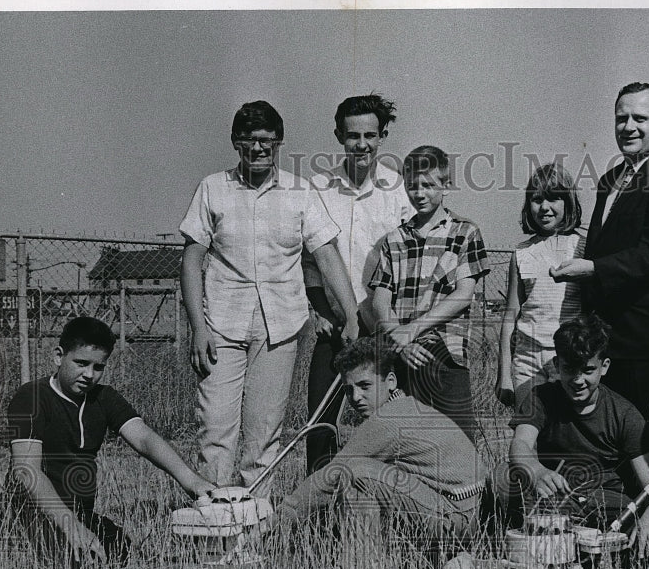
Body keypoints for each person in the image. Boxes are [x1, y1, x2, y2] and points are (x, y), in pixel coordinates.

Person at [179, 100, 359, 500]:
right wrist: (198, 328)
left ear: (279, 144)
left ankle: (253, 520)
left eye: (267, 142)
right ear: (235, 143)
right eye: (249, 141)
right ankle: (215, 518)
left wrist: (349, 314)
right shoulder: (212, 188)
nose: (258, 150)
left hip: (280, 327)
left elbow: (326, 254)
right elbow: (191, 260)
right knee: (215, 426)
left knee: (264, 432)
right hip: (220, 326)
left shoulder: (300, 192)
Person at [4, 317, 214, 569]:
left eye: (98, 367)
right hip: (35, 516)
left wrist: (191, 481)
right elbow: (27, 472)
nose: (89, 374)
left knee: (123, 557)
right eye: (81, 363)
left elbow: (143, 438)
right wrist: (72, 528)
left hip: (80, 513)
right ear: (59, 356)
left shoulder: (103, 398)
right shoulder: (32, 397)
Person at [550, 82, 649, 434]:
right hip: (605, 341)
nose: (628, 126)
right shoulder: (609, 180)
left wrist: (593, 268)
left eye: (640, 118)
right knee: (612, 442)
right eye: (621, 118)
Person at [277, 337, 489, 567]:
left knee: (356, 474)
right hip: (472, 513)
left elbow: (330, 475)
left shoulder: (389, 419)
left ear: (390, 381)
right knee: (370, 475)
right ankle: (379, 566)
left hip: (458, 518)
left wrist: (280, 518)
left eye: (365, 386)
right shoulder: (406, 407)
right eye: (349, 390)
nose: (356, 397)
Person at [304, 94, 412, 472]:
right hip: (333, 325)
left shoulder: (399, 190)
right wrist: (320, 313)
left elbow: (407, 262)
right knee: (320, 424)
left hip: (381, 324)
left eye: (370, 135)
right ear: (338, 136)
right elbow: (310, 263)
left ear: (382, 136)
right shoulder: (317, 187)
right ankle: (318, 517)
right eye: (353, 135)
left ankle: (386, 505)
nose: (361, 144)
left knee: (390, 423)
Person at [502, 314, 649, 558]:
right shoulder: (541, 397)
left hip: (610, 505)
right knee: (503, 481)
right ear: (557, 365)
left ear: (605, 367)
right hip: (558, 501)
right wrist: (536, 470)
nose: (578, 380)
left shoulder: (624, 414)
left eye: (588, 370)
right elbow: (520, 444)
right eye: (569, 369)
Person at [370, 145, 490, 443]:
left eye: (428, 185)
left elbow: (463, 294)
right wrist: (400, 339)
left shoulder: (464, 232)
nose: (419, 193)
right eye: (412, 185)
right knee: (406, 444)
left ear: (446, 186)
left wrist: (413, 329)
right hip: (403, 357)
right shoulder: (393, 240)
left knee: (458, 444)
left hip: (446, 356)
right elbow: (380, 300)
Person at [495, 163, 586, 408]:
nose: (544, 207)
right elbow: (511, 314)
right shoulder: (522, 253)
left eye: (554, 198)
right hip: (527, 359)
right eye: (536, 199)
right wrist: (504, 373)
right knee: (528, 431)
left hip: (567, 356)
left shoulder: (582, 248)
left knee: (562, 434)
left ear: (567, 202)